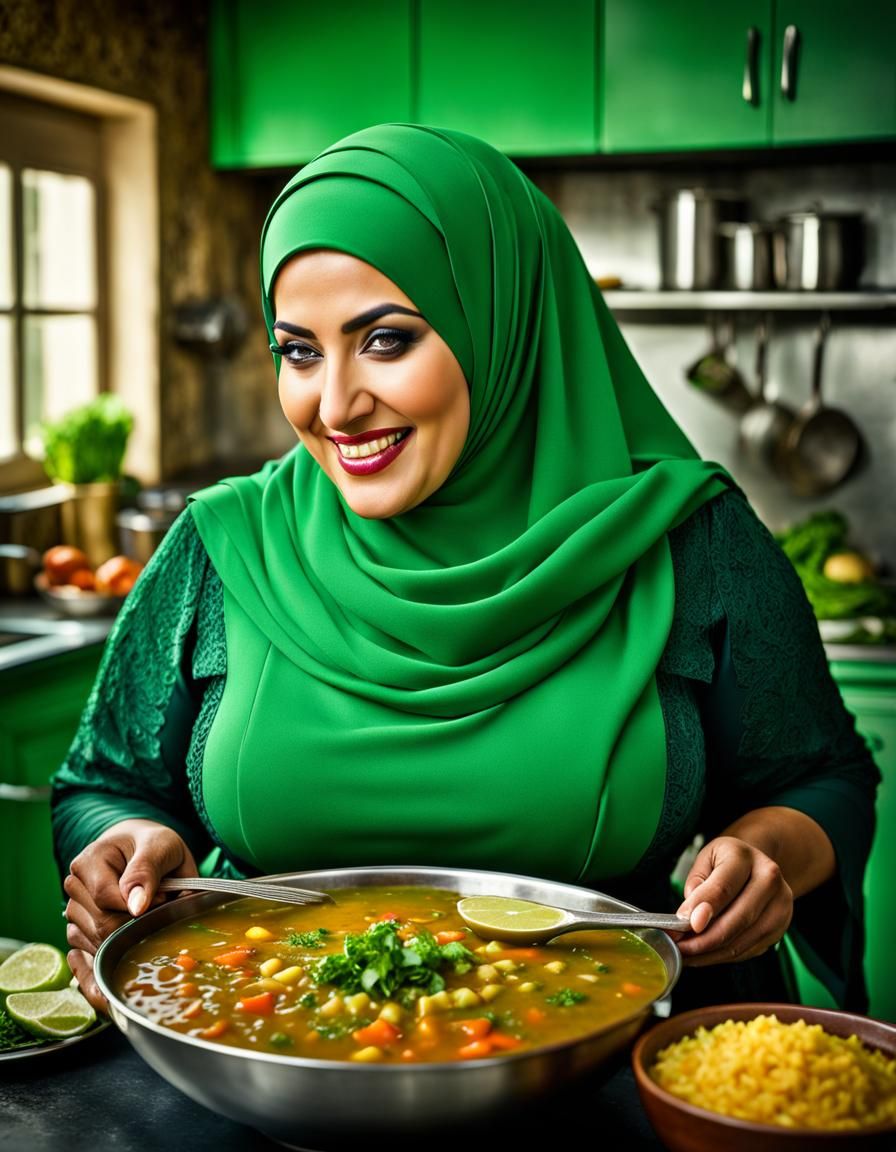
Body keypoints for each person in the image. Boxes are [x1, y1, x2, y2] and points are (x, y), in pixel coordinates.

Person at [53, 123, 879, 1018]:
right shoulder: (222, 544)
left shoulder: (689, 542)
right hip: (257, 1049)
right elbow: (106, 782)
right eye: (298, 351)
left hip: (600, 1063)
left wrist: (767, 853)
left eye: (387, 340)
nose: (335, 406)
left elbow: (822, 778)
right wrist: (126, 843)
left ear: (504, 325)